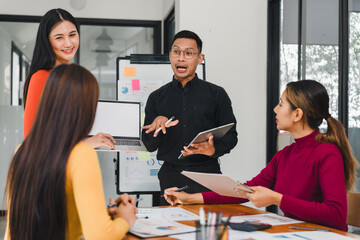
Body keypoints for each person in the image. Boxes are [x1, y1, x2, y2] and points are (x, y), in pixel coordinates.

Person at [164, 80, 357, 231]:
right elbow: (244, 191)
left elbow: (336, 214)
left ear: (297, 114)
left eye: (281, 104)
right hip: (296, 232)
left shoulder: (327, 153)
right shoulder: (286, 154)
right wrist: (190, 198)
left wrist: (277, 199)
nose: (275, 109)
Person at [5, 64, 137, 240]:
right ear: (85, 109)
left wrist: (100, 214)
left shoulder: (21, 151)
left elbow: (14, 230)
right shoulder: (81, 154)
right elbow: (100, 237)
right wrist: (125, 220)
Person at [141, 30, 238, 202]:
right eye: (176, 52)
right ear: (170, 56)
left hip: (208, 174)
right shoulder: (156, 98)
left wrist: (213, 149)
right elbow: (149, 145)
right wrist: (157, 128)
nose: (181, 58)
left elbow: (231, 137)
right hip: (171, 176)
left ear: (200, 59)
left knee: (208, 225)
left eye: (188, 53)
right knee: (171, 227)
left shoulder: (217, 94)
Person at [23, 8, 115, 149]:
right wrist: (84, 143)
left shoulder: (72, 78)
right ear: (47, 41)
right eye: (59, 37)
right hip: (51, 169)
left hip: (73, 162)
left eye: (72, 35)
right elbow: (31, 138)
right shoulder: (41, 77)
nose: (68, 44)